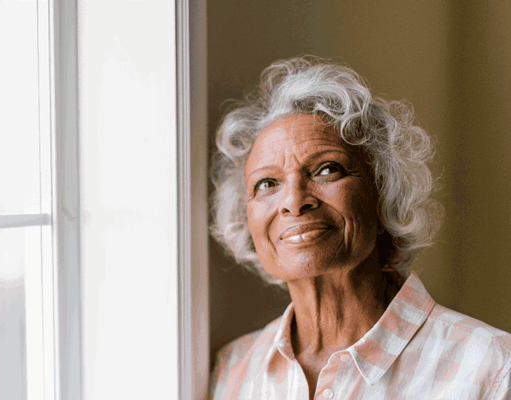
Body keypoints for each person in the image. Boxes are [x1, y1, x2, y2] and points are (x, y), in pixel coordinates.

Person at [208, 56, 511, 400]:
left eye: (326, 170)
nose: (294, 201)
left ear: (384, 193)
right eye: (266, 184)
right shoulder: (229, 371)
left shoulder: (493, 369)